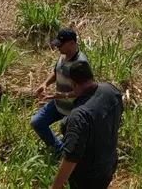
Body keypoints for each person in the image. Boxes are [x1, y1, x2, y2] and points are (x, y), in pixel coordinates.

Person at [50, 60, 123, 189]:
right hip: (108, 164)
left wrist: (56, 186)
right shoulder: (111, 90)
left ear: (73, 83)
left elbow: (71, 158)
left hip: (88, 178)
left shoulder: (78, 116)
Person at [31, 28, 88, 154]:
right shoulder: (63, 56)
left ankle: (64, 154)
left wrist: (63, 95)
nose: (58, 48)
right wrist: (45, 83)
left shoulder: (80, 63)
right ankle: (58, 149)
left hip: (72, 110)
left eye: (60, 45)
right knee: (37, 122)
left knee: (72, 139)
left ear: (72, 43)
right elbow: (56, 71)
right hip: (58, 104)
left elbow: (83, 90)